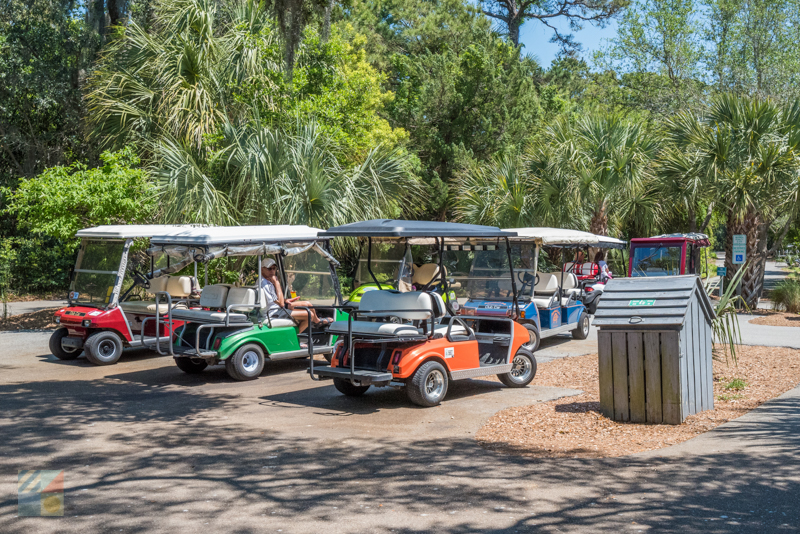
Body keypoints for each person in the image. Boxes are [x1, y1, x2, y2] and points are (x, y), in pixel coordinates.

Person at [260, 258, 332, 334]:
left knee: (307, 304)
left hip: (276, 307)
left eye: (274, 268)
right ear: (262, 269)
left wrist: (285, 300)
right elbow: (280, 304)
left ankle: (317, 321)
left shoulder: (267, 280)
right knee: (309, 315)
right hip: (274, 312)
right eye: (269, 269)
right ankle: (296, 339)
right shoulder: (266, 284)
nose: (272, 271)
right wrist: (277, 283)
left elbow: (274, 299)